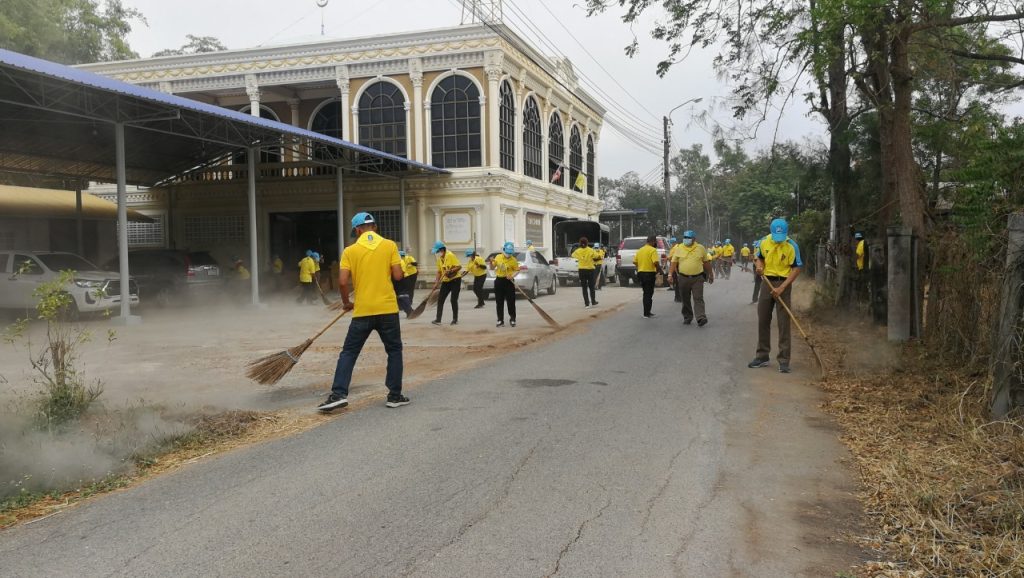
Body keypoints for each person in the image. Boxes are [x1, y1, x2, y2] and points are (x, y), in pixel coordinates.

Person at [317, 212, 409, 411]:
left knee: (349, 352)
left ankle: (338, 394)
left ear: (357, 230)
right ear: (374, 227)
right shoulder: (390, 245)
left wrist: (346, 303)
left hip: (362, 311)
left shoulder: (350, 251)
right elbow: (398, 276)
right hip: (387, 309)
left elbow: (342, 282)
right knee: (394, 351)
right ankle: (395, 396)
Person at [749, 218, 803, 374]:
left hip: (784, 283)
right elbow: (758, 257)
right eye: (776, 236)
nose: (779, 240)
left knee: (784, 323)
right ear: (771, 232)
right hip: (767, 282)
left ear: (786, 233)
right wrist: (759, 266)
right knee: (763, 319)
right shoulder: (763, 242)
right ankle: (762, 356)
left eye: (781, 237)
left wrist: (782, 287)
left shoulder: (792, 246)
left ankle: (784, 360)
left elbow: (797, 268)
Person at [669, 230, 713, 326]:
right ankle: (687, 317)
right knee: (685, 299)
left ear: (694, 239)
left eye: (688, 238)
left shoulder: (700, 248)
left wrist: (711, 274)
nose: (686, 239)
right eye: (685, 237)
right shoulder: (679, 248)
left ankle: (701, 317)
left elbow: (706, 262)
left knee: (698, 298)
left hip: (697, 278)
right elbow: (674, 262)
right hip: (683, 278)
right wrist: (670, 275)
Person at [431, 241, 462, 326]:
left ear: (442, 250)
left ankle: (455, 319)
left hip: (455, 280)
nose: (437, 253)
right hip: (446, 281)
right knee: (440, 300)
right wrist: (436, 282)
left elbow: (459, 266)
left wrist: (451, 270)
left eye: (437, 251)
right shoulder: (439, 259)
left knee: (453, 300)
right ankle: (438, 319)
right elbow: (439, 272)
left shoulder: (450, 255)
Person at [492, 241, 519, 327]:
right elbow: (492, 267)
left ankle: (512, 319)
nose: (508, 254)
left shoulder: (513, 260)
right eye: (507, 252)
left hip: (509, 282)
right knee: (499, 301)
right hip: (499, 281)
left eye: (510, 253)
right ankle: (500, 320)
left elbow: (517, 270)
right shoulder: (498, 257)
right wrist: (491, 263)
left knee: (511, 301)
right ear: (504, 250)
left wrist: (512, 276)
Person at [635, 235, 662, 318]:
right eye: (655, 242)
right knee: (648, 293)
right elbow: (655, 262)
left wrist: (640, 267)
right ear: (653, 241)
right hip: (649, 274)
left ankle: (647, 312)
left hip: (641, 273)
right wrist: (660, 270)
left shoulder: (640, 250)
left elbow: (635, 262)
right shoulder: (653, 250)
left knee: (646, 292)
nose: (655, 243)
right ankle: (646, 313)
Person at [571, 237, 599, 308]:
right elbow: (597, 256)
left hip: (582, 270)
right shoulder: (591, 250)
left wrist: (580, 257)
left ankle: (587, 304)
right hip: (590, 270)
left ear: (580, 243)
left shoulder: (578, 251)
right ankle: (593, 302)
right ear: (587, 243)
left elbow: (573, 255)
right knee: (591, 287)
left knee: (584, 287)